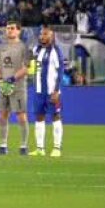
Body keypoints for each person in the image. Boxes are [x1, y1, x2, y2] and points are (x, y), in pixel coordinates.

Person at [0, 20, 31, 156]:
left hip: (18, 87)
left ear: (19, 31)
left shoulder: (24, 48)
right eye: (8, 28)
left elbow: (27, 68)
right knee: (2, 116)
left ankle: (24, 145)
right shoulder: (0, 47)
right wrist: (0, 80)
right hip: (3, 86)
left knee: (21, 116)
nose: (10, 30)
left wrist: (12, 79)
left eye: (12, 28)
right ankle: (3, 145)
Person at [31, 26, 66, 157]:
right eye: (41, 34)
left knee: (55, 116)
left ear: (52, 37)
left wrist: (56, 90)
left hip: (52, 91)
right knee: (39, 117)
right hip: (38, 91)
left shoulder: (56, 51)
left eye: (45, 34)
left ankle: (57, 148)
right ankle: (40, 148)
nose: (42, 37)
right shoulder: (36, 50)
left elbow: (61, 72)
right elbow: (33, 68)